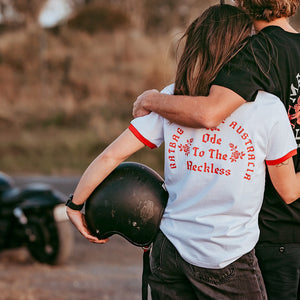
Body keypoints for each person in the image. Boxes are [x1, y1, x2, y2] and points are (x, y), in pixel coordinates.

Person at [66, 4, 299, 300]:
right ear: (245, 50)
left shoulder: (172, 96)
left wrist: (75, 204)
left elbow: (111, 156)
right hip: (227, 257)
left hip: (170, 251)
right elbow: (288, 189)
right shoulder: (267, 109)